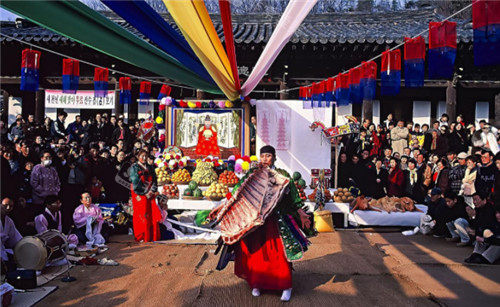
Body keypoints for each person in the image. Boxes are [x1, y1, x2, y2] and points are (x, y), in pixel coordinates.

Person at [216, 145, 311, 302]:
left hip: (276, 220)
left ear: (274, 157)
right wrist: (227, 207)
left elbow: (293, 195)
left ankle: (286, 286)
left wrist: (301, 212)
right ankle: (257, 283)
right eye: (263, 156)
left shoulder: (282, 175)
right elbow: (238, 191)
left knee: (279, 253)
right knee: (256, 252)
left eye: (268, 156)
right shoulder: (253, 174)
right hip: (255, 222)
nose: (265, 159)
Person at [129, 149, 161, 242]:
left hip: (149, 192)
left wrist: (152, 191)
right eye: (141, 156)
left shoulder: (150, 167)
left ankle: (151, 235)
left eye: (145, 156)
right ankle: (141, 236)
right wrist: (144, 193)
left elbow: (155, 180)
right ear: (138, 157)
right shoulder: (134, 167)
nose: (143, 158)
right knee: (141, 213)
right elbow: (135, 182)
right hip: (139, 193)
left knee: (151, 212)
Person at [30, 150, 61, 215]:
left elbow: (57, 183)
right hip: (40, 201)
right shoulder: (37, 168)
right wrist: (45, 193)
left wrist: (54, 192)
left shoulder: (53, 170)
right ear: (41, 158)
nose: (48, 159)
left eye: (50, 157)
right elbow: (34, 183)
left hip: (52, 201)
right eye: (46, 157)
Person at [1, 198, 23, 271]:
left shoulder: (9, 221)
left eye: (11, 206)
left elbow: (16, 238)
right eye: (5, 205)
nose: (8, 208)